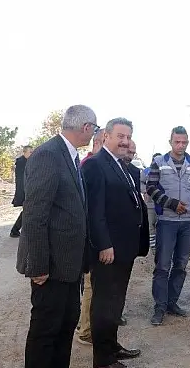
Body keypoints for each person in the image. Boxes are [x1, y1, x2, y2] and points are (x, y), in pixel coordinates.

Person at [15, 105, 98, 368]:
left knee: (65, 327)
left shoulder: (69, 156)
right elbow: (34, 215)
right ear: (86, 128)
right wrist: (38, 266)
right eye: (94, 129)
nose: (94, 133)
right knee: (45, 332)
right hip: (50, 268)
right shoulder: (48, 155)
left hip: (69, 266)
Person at [82, 118, 149, 368]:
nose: (125, 141)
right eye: (120, 136)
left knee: (115, 303)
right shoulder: (96, 165)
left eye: (128, 137)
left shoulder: (122, 166)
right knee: (103, 304)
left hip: (125, 249)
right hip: (108, 251)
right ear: (106, 137)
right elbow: (94, 212)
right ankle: (102, 360)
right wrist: (103, 245)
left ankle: (112, 347)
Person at [146, 126, 190, 326]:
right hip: (167, 222)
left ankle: (172, 303)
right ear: (170, 142)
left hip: (187, 223)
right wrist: (171, 204)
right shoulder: (159, 163)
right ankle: (159, 307)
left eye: (184, 142)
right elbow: (151, 188)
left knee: (181, 265)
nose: (181, 145)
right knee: (162, 266)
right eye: (177, 142)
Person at [75, 127, 105, 346]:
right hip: (91, 239)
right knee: (91, 286)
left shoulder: (94, 164)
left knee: (95, 286)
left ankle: (87, 325)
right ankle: (86, 330)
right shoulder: (90, 165)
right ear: (100, 142)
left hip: (96, 237)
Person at [10, 145, 33, 238]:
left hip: (26, 190)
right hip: (24, 190)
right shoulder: (21, 162)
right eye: (30, 152)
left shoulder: (26, 161)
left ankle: (17, 230)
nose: (32, 154)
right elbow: (22, 179)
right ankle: (15, 230)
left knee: (27, 211)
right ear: (24, 152)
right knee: (27, 211)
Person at [141, 152, 162, 251]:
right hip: (150, 204)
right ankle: (153, 247)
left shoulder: (164, 170)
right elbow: (140, 182)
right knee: (151, 225)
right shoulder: (146, 171)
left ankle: (161, 245)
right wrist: (145, 190)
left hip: (163, 204)